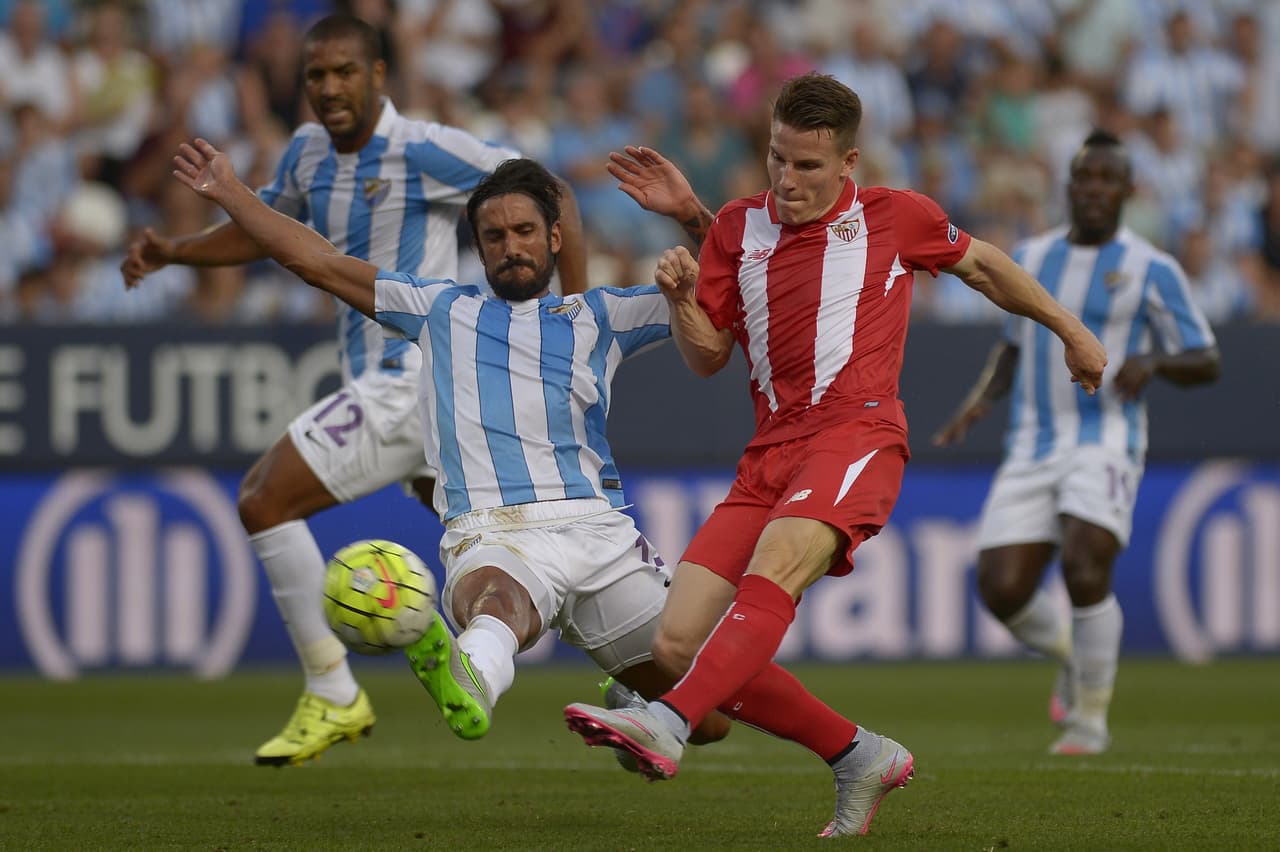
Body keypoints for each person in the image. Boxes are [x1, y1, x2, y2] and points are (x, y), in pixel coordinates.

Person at [561, 72, 1108, 838]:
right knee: (676, 642)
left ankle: (669, 723)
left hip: (857, 433)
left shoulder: (895, 218)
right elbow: (709, 354)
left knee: (774, 568)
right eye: (777, 160)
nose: (787, 179)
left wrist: (1071, 331)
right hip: (769, 455)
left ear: (849, 162)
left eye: (807, 166)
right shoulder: (734, 230)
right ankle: (858, 755)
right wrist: (685, 298)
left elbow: (986, 267)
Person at [121, 14, 588, 767]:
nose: (329, 88)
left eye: (345, 72)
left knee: (263, 498)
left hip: (412, 374)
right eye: (316, 75)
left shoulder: (423, 148)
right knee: (515, 542)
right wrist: (175, 250)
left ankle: (332, 691)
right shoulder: (308, 152)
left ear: (378, 75)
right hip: (418, 395)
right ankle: (635, 660)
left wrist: (572, 314)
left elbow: (552, 191)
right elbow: (267, 229)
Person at [168, 142, 731, 753]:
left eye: (524, 231)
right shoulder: (439, 308)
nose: (511, 246)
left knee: (712, 718)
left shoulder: (603, 314)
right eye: (494, 236)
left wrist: (692, 216)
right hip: (495, 534)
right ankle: (470, 678)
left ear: (555, 240)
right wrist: (230, 191)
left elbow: (735, 284)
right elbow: (317, 262)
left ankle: (629, 700)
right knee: (500, 608)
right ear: (478, 246)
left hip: (600, 535)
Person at [932, 130, 1220, 755]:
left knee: (1086, 565)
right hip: (1033, 442)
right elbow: (1012, 346)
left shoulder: (1152, 268)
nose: (1092, 190)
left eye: (1105, 179)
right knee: (1001, 589)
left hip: (1108, 436)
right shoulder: (1030, 257)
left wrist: (1156, 363)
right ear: (1069, 186)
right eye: (1083, 178)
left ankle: (1089, 719)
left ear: (1127, 190)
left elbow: (1207, 356)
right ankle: (1069, 652)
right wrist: (980, 401)